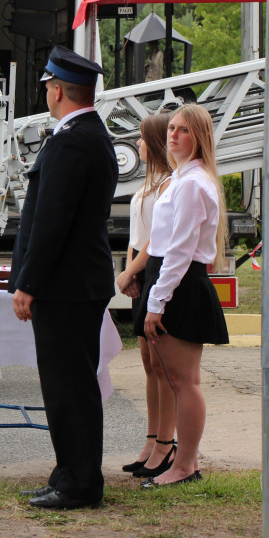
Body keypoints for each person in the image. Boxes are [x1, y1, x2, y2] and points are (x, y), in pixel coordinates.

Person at [9, 46, 117, 510]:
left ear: (56, 90)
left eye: (48, 88)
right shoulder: (84, 134)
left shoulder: (74, 139)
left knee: (68, 386)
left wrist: (28, 283)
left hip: (67, 286)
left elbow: (53, 222)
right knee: (70, 384)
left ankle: (79, 484)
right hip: (74, 283)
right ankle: (70, 473)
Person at [137, 103, 229, 488]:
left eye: (184, 130)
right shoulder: (182, 178)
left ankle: (185, 464)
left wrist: (157, 302)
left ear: (200, 137)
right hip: (171, 278)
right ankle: (179, 460)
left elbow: (179, 249)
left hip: (180, 282)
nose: (173, 134)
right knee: (175, 378)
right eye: (171, 128)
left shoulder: (192, 183)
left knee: (183, 381)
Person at [114, 112, 176, 479]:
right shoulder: (148, 181)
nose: (136, 144)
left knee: (165, 367)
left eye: (140, 138)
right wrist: (131, 269)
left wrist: (130, 271)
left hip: (155, 270)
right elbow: (138, 235)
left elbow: (158, 239)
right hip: (142, 270)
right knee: (150, 366)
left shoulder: (170, 183)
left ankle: (167, 444)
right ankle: (152, 440)